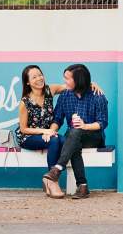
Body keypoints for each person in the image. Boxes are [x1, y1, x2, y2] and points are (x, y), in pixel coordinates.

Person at [18, 65, 102, 199]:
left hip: (55, 133)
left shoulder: (50, 90)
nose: (39, 78)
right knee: (61, 139)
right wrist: (47, 131)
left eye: (40, 75)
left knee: (70, 141)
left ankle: (60, 174)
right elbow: (23, 129)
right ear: (28, 82)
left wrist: (92, 83)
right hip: (29, 135)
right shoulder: (25, 102)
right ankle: (54, 181)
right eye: (34, 77)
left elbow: (76, 84)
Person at [43, 64, 108, 199]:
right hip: (73, 138)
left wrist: (85, 126)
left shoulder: (97, 96)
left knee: (74, 134)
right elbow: (57, 118)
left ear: (78, 80)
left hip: (93, 136)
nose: (64, 82)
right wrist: (51, 131)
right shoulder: (65, 95)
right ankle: (83, 187)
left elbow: (102, 123)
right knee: (74, 142)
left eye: (67, 78)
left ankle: (58, 168)